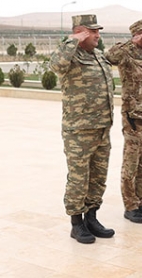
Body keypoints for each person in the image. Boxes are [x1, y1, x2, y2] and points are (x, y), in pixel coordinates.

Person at [49, 14, 116, 244]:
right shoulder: (69, 56)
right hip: (79, 131)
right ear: (79, 32)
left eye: (98, 31)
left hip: (101, 128)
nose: (97, 35)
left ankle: (92, 217)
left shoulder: (98, 56)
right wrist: (72, 40)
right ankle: (76, 224)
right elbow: (54, 65)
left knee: (98, 177)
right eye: (92, 31)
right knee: (79, 178)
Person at [107, 19, 142, 223]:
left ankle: (140, 200)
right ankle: (130, 206)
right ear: (138, 36)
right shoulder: (128, 54)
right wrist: (131, 42)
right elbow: (109, 56)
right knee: (131, 164)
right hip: (135, 119)